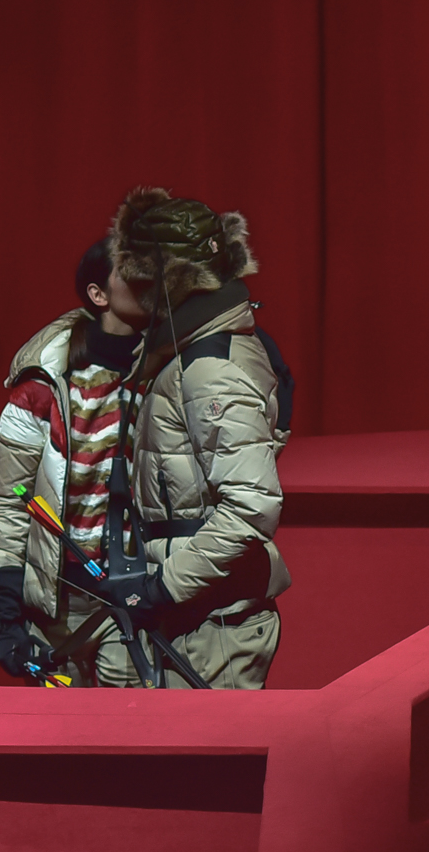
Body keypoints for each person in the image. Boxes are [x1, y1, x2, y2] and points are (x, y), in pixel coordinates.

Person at [100, 187, 292, 689]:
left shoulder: (209, 369)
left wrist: (162, 587)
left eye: (128, 271)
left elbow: (252, 506)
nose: (115, 280)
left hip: (213, 626)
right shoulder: (191, 354)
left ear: (163, 283)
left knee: (207, 745)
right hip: (196, 616)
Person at [0, 239, 147, 687]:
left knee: (130, 721)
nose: (149, 279)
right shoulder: (41, 387)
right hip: (57, 604)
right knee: (64, 724)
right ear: (99, 294)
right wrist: (2, 612)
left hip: (134, 597)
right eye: (133, 270)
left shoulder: (167, 375)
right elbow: (11, 503)